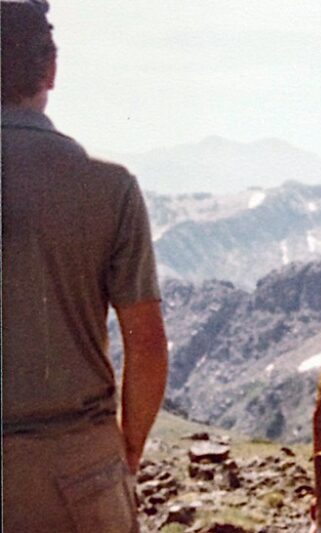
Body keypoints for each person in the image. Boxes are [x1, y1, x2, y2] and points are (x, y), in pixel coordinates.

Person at [2, 1, 169, 531]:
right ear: (50, 69)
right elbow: (145, 342)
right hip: (81, 468)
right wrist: (126, 452)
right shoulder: (110, 187)